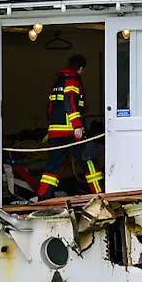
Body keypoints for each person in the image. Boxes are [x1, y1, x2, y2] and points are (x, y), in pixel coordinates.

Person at [36, 54, 103, 200]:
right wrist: (77, 125)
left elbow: (51, 108)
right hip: (71, 132)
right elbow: (70, 101)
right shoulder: (72, 80)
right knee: (88, 161)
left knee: (53, 168)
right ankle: (100, 195)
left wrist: (50, 129)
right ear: (80, 68)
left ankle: (43, 198)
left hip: (56, 132)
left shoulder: (57, 81)